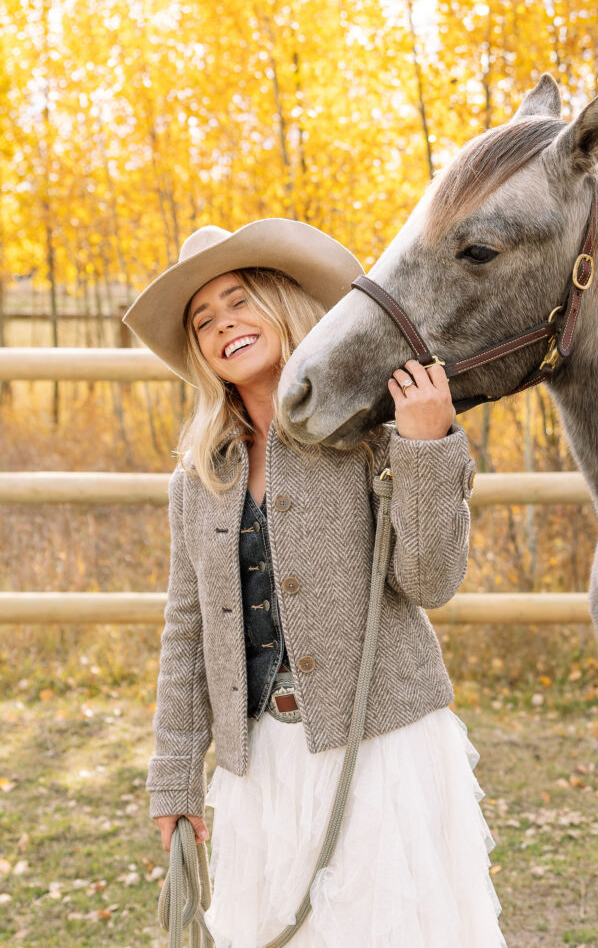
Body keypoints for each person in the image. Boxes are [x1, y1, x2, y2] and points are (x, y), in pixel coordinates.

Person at [122, 218, 507, 948]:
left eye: (238, 301)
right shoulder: (200, 477)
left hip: (382, 748)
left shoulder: (366, 433)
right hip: (258, 764)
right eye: (202, 320)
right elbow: (187, 633)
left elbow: (429, 581)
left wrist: (426, 447)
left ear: (282, 303)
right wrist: (174, 777)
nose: (222, 325)